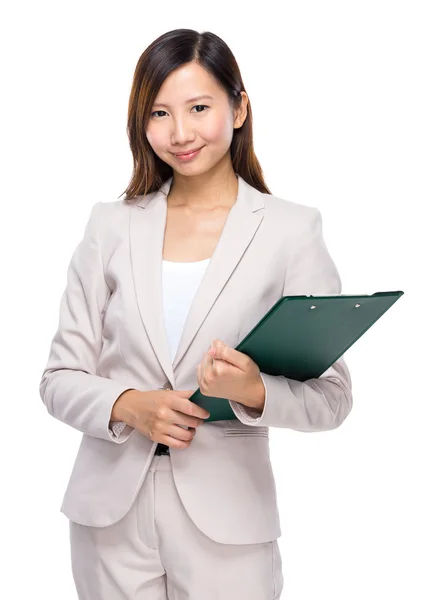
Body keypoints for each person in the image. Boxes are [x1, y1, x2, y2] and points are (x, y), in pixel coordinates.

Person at [39, 28, 354, 600]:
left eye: (199, 108)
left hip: (229, 524)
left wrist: (255, 390)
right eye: (159, 113)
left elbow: (333, 399)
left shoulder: (291, 230)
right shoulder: (110, 226)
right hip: (108, 519)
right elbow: (58, 379)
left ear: (239, 108)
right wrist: (127, 405)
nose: (179, 134)